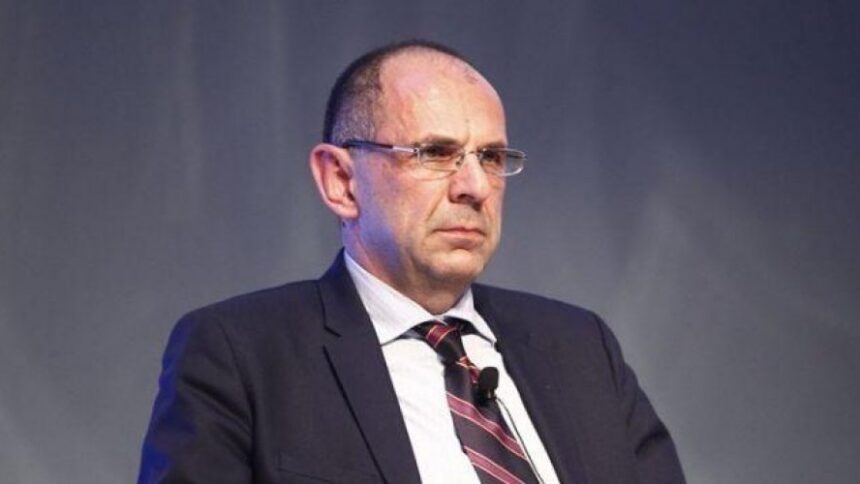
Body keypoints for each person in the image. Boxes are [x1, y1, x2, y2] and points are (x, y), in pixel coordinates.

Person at [139, 40, 685, 483]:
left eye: (491, 157)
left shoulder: (580, 348)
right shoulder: (241, 354)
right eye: (436, 153)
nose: (474, 187)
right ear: (341, 180)